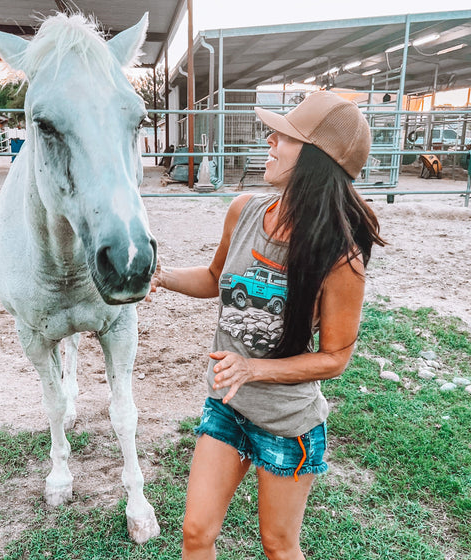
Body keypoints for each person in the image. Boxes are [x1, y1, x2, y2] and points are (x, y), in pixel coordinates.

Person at [149, 91, 385, 560]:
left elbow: (336, 357)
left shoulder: (341, 257)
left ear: (316, 158)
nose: (270, 142)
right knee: (196, 533)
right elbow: (217, 279)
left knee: (279, 546)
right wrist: (161, 276)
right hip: (226, 405)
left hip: (287, 424)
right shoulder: (244, 211)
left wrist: (253, 369)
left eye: (285, 137)